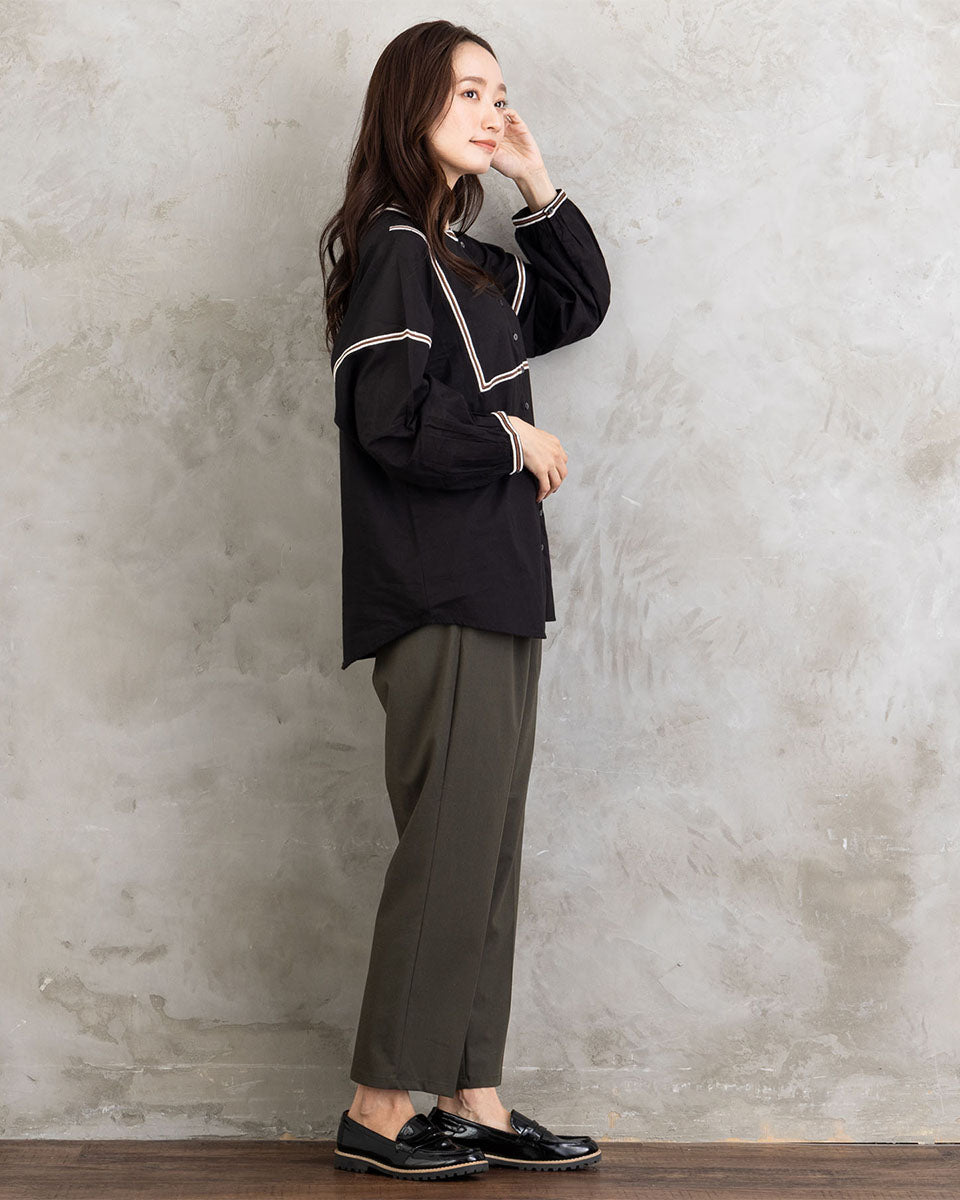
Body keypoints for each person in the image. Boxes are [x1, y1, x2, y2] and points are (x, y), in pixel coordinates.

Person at [318, 19, 611, 1181]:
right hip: (438, 590)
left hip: (492, 581)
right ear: (410, 106)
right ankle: (380, 1105)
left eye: (500, 93)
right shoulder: (394, 247)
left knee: (482, 851)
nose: (493, 111)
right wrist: (509, 437)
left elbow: (576, 303)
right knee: (449, 850)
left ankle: (472, 1095)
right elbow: (387, 420)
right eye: (468, 93)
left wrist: (536, 183)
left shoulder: (460, 260)